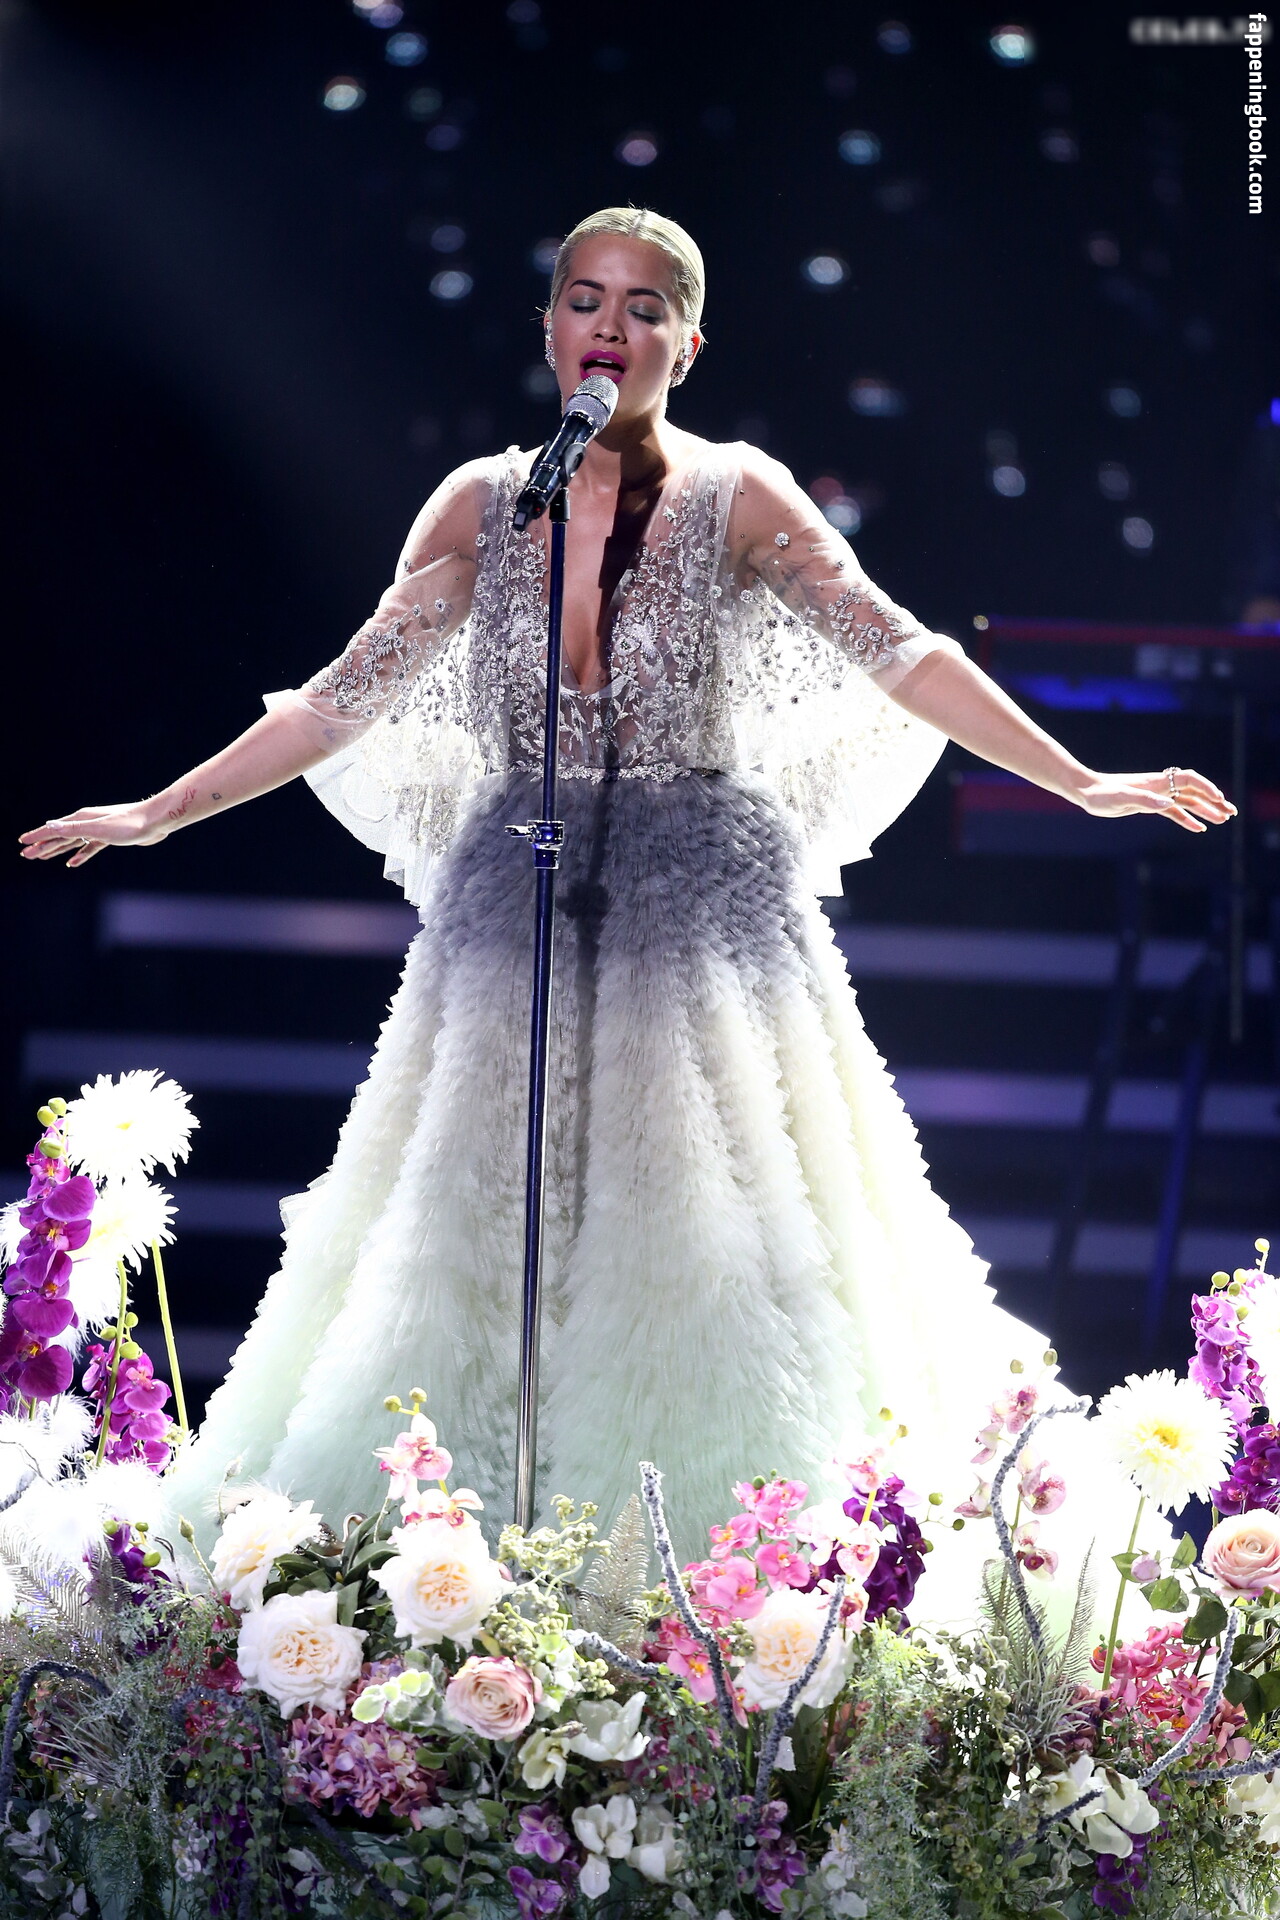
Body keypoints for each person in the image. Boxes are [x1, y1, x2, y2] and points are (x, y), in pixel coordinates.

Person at [20, 209, 1233, 1602]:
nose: (612, 325)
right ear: (550, 328)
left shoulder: (741, 493)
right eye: (587, 299)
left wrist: (1080, 779)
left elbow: (905, 656)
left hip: (701, 911)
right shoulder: (486, 503)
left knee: (709, 1226)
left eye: (646, 306)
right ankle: (431, 1577)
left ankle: (719, 1582)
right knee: (470, 1230)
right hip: (515, 904)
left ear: (688, 344)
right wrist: (159, 810)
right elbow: (339, 701)